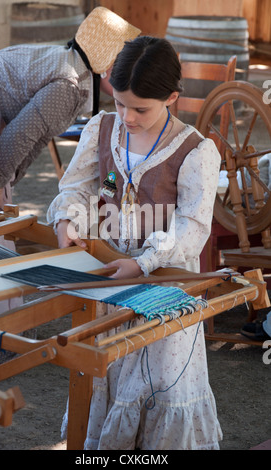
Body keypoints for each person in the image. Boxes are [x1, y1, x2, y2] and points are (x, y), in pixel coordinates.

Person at [47, 36, 222, 450]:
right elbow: (82, 188)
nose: (126, 116)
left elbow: (192, 228)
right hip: (108, 279)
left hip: (163, 285)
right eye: (119, 102)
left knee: (157, 382)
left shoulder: (195, 151)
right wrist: (69, 221)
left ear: (172, 98)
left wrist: (143, 263)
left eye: (140, 108)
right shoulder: (103, 129)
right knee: (105, 371)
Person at [0, 7, 140, 325]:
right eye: (122, 66)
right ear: (107, 66)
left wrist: (5, 179)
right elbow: (18, 138)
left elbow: (34, 138)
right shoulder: (68, 84)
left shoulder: (67, 65)